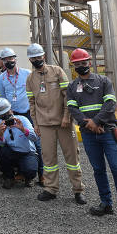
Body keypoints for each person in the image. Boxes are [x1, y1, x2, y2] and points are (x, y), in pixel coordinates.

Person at [67, 48, 117, 227]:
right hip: (89, 134)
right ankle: (106, 203)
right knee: (98, 169)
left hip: (107, 131)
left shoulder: (104, 81)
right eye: (77, 64)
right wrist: (88, 124)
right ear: (73, 66)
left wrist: (96, 121)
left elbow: (110, 104)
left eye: (84, 63)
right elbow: (72, 108)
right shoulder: (72, 86)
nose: (81, 66)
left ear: (89, 63)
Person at [26, 43, 85, 204]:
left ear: (43, 56)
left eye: (39, 57)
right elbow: (32, 103)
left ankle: (78, 190)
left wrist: (67, 116)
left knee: (72, 156)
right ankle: (51, 189)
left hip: (63, 122)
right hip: (44, 124)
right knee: (48, 159)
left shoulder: (57, 71)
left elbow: (68, 96)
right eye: (34, 58)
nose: (37, 60)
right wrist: (36, 125)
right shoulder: (30, 79)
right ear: (30, 59)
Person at [0, 47, 43, 181]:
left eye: (10, 59)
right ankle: (21, 171)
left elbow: (34, 93)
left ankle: (42, 174)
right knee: (14, 142)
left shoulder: (26, 74)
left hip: (28, 113)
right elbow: (3, 97)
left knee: (37, 142)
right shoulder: (2, 78)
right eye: (5, 60)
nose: (8, 61)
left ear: (15, 59)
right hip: (14, 115)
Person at [0, 97, 38, 189]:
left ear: (11, 110)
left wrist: (23, 129)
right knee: (1, 152)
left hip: (27, 152)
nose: (6, 116)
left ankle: (26, 176)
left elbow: (35, 138)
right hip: (12, 152)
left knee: (30, 170)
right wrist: (1, 134)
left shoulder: (23, 119)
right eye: (3, 115)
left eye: (7, 113)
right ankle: (9, 177)